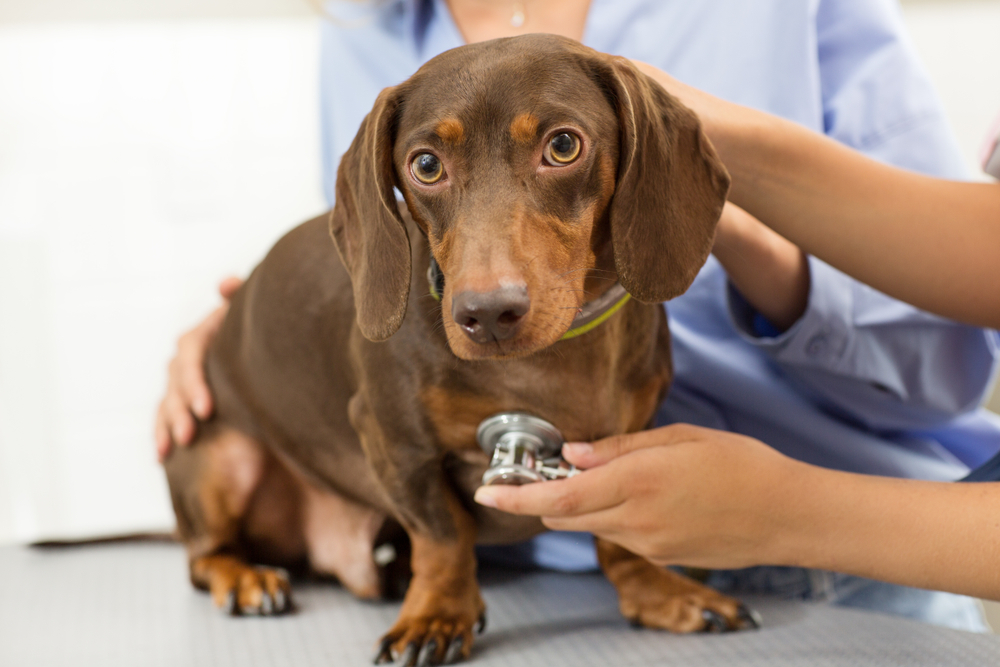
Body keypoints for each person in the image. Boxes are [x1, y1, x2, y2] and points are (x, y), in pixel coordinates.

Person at [154, 0, 1000, 631]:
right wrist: (245, 343)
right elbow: (387, 287)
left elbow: (955, 366)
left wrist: (730, 227)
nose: (490, 283)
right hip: (530, 589)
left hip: (859, 570)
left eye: (561, 146)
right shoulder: (363, 30)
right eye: (428, 164)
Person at [472, 74, 1000, 603]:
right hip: (522, 582)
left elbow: (952, 368)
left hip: (869, 582)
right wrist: (391, 482)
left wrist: (784, 514)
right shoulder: (391, 57)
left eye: (564, 145)